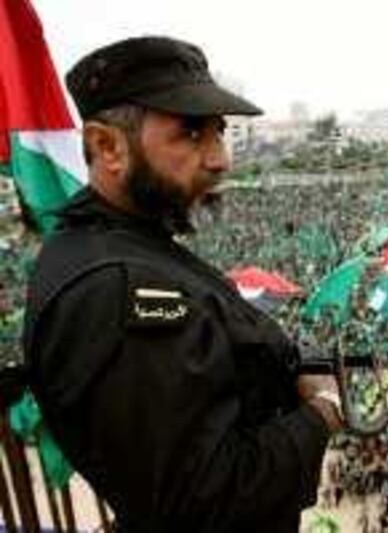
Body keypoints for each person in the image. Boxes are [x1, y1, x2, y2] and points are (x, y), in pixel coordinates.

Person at [23, 36, 344, 533]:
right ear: (107, 145)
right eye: (192, 133)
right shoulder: (119, 288)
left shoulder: (122, 244)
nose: (220, 159)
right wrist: (322, 412)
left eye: (219, 132)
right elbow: (203, 502)